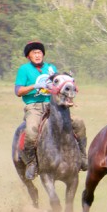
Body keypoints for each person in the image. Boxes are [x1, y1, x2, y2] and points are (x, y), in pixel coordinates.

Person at [14, 41, 87, 180]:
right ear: (28, 56)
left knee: (79, 122)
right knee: (31, 131)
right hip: (34, 107)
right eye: (34, 53)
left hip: (53, 105)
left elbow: (60, 85)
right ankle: (31, 162)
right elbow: (18, 91)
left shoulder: (51, 68)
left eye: (39, 52)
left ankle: (83, 156)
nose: (37, 55)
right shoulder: (24, 70)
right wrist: (35, 85)